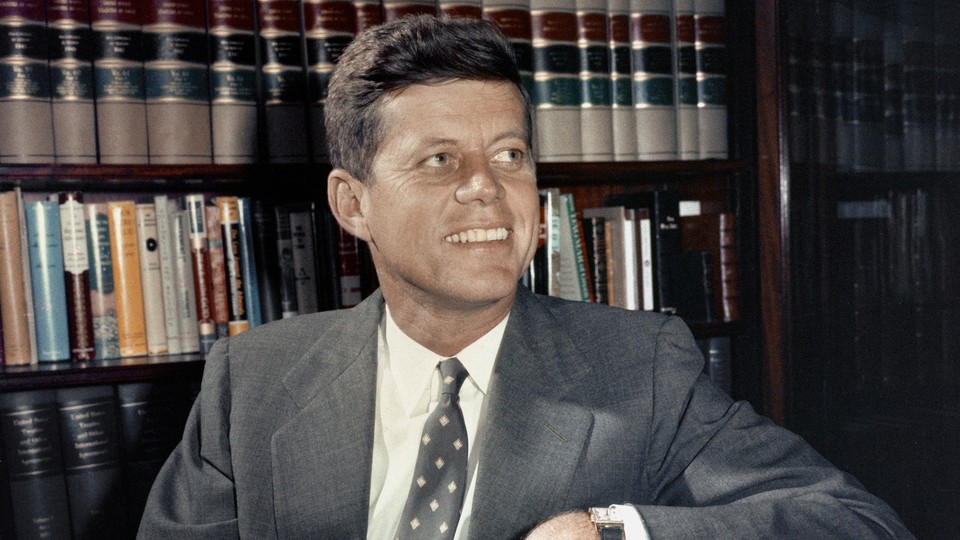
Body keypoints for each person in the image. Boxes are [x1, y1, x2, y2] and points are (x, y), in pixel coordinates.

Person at [138, 15, 912, 539]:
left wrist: (612, 533)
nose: (486, 186)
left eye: (509, 155)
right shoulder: (253, 382)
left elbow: (854, 521)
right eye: (440, 160)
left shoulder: (638, 369)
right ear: (352, 204)